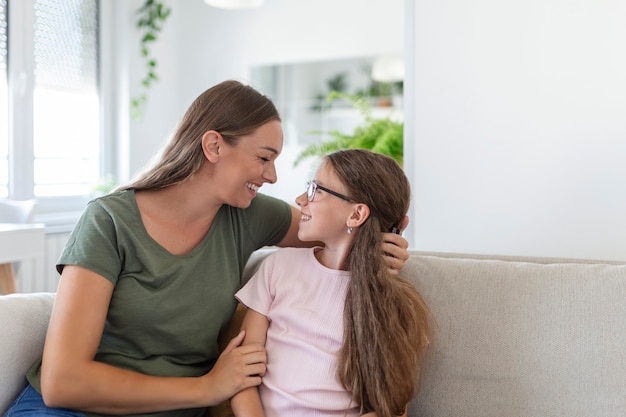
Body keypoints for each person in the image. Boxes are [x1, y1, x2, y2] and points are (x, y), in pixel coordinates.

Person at [3, 80, 409, 417]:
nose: (272, 176)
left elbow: (335, 226)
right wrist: (207, 388)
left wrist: (386, 242)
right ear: (214, 146)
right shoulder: (109, 221)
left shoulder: (247, 214)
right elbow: (62, 383)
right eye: (264, 158)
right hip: (74, 408)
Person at [231, 149, 433, 417]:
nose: (301, 199)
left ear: (356, 214)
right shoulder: (279, 267)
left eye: (316, 190)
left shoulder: (393, 303)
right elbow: (241, 377)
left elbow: (392, 408)